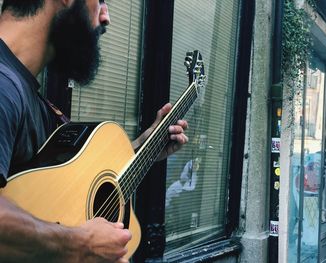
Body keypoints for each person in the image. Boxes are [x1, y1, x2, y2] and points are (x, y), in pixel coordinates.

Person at [0, 0, 188, 262]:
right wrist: (80, 243)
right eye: (100, 1)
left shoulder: (23, 91)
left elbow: (66, 186)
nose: (106, 16)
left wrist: (142, 147)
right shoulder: (4, 86)